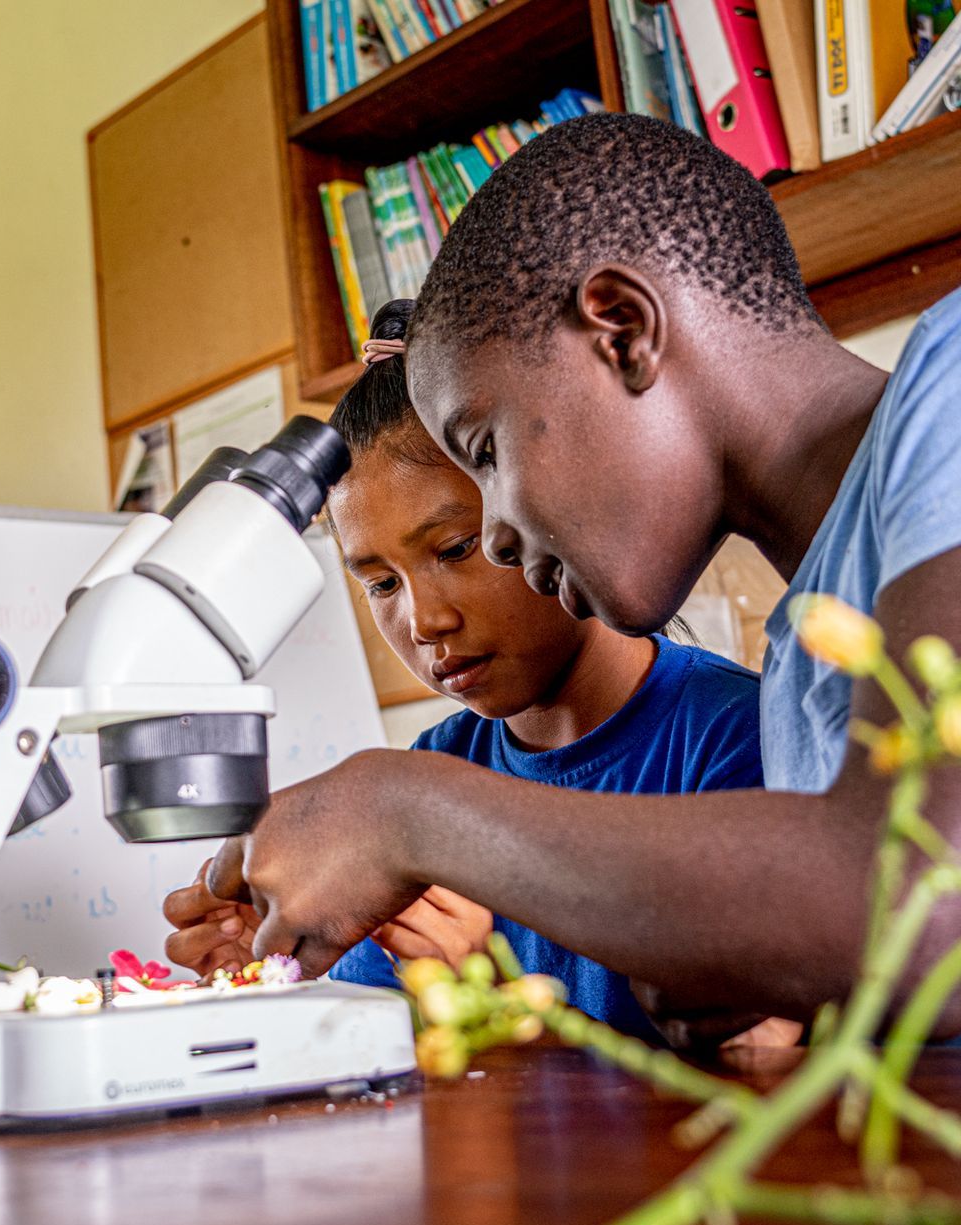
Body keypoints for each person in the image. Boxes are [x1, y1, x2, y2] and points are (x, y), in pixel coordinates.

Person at [200, 114, 961, 1050]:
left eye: (486, 450)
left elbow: (919, 911)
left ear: (624, 329)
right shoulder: (809, 663)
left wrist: (410, 808)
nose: (507, 529)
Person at [163, 298, 778, 1045]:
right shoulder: (432, 774)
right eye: (381, 583)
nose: (424, 621)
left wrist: (508, 1014)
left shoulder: (737, 743)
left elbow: (761, 1091)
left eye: (455, 549)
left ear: (541, 501)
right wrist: (269, 979)